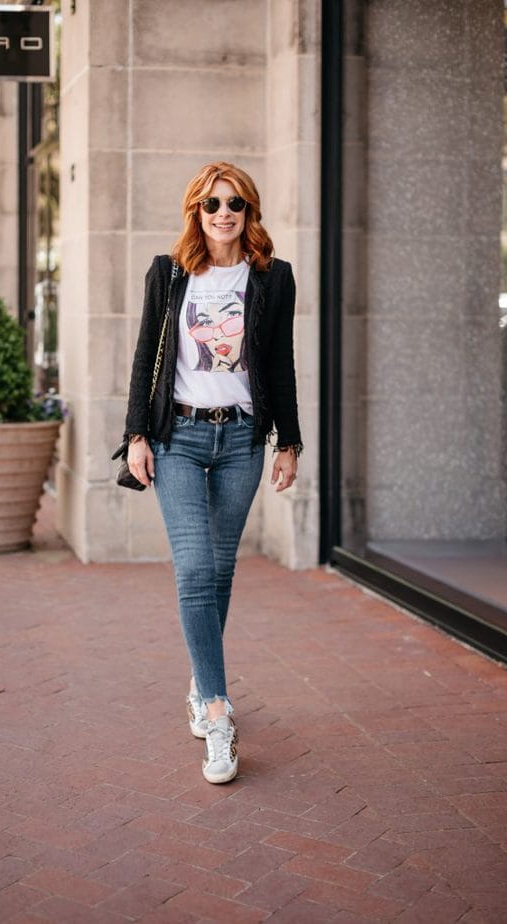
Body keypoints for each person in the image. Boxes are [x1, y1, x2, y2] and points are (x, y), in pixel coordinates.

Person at [123, 161, 302, 784]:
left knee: (222, 569)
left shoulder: (273, 279)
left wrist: (290, 443)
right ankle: (219, 712)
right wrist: (135, 436)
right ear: (196, 213)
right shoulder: (170, 273)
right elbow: (146, 354)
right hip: (179, 435)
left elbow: (280, 364)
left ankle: (202, 682)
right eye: (212, 205)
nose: (224, 213)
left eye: (236, 204)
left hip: (242, 440)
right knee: (196, 566)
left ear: (250, 212)